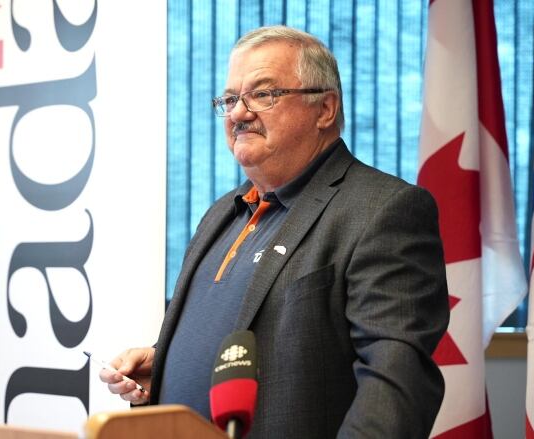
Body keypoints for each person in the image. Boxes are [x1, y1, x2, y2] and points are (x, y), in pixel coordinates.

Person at [100, 26, 449, 438]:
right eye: (230, 99)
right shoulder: (221, 214)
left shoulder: (382, 211)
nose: (238, 113)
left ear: (325, 109)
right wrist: (167, 366)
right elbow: (258, 341)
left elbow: (396, 386)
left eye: (263, 95)